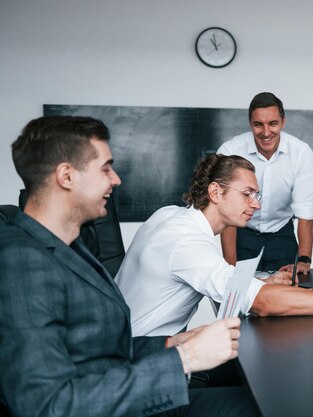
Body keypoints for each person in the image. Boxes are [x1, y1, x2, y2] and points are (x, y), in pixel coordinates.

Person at [0, 116, 257, 417]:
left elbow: (99, 348)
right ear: (66, 176)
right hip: (122, 404)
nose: (116, 179)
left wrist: (171, 342)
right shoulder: (22, 260)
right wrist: (185, 358)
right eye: (106, 168)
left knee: (259, 396)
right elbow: (49, 406)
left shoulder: (73, 244)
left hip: (129, 385)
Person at [115, 153, 313, 337]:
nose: (255, 204)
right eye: (247, 194)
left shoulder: (170, 215)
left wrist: (262, 280)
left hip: (136, 347)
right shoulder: (187, 243)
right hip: (146, 365)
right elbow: (261, 304)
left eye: (257, 195)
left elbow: (218, 283)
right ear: (215, 192)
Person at [216, 92, 313, 273]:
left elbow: (305, 211)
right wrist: (230, 267)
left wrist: (304, 260)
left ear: (283, 122)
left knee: (288, 296)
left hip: (282, 235)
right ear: (250, 124)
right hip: (242, 234)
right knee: (239, 295)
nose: (266, 132)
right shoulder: (230, 150)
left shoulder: (301, 153)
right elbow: (226, 212)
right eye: (258, 125)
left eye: (273, 123)